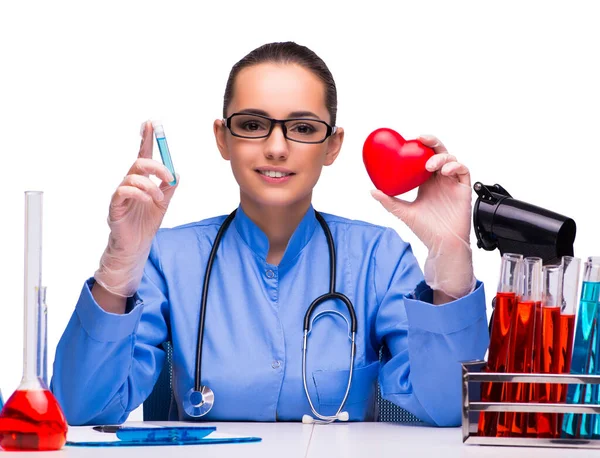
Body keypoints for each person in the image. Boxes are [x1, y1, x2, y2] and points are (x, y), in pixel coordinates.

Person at [51, 41, 488, 426]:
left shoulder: (378, 256)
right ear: (223, 139)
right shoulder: (169, 258)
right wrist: (120, 262)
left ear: (332, 145)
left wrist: (450, 255)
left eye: (301, 128)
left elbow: (448, 408)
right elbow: (81, 411)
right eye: (253, 124)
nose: (276, 147)